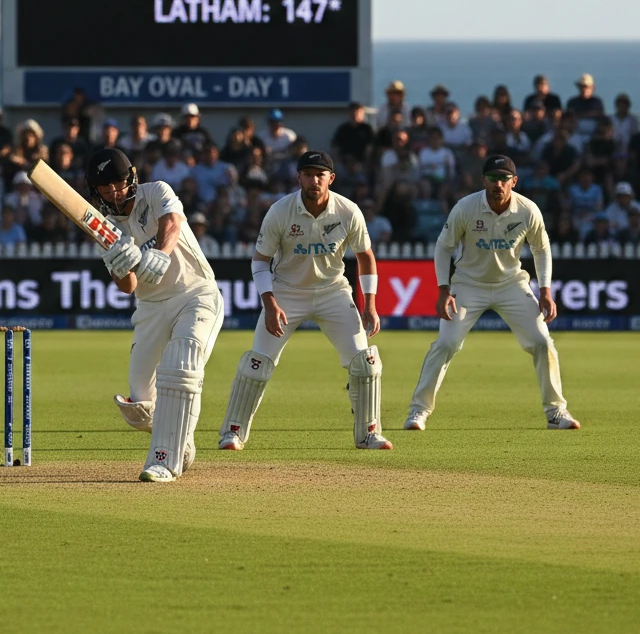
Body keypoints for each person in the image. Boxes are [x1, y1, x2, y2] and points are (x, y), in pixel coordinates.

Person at [216, 150, 391, 453]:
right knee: (257, 364)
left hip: (333, 292)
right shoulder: (280, 212)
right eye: (308, 174)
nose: (314, 180)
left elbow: (365, 257)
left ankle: (369, 433)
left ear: (331, 179)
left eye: (320, 175)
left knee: (365, 363)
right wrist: (269, 303)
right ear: (298, 177)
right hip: (286, 293)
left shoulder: (348, 211)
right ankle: (233, 432)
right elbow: (260, 262)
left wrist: (370, 304)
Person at [403, 154, 580, 432]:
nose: (499, 184)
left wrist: (545, 290)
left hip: (511, 285)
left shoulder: (528, 210)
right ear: (483, 180)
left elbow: (541, 249)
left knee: (542, 342)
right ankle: (418, 412)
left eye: (504, 179)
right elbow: (443, 247)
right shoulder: (466, 207)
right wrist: (443, 289)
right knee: (446, 344)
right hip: (468, 284)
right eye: (493, 178)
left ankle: (556, 412)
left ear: (514, 181)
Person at [87, 147, 224, 482]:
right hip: (150, 308)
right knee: (139, 405)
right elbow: (128, 286)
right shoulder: (104, 228)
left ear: (131, 177)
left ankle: (163, 460)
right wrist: (118, 262)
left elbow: (173, 221)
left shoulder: (156, 190)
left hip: (195, 293)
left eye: (118, 183)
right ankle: (182, 442)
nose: (115, 192)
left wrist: (161, 252)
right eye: (106, 188)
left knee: (181, 365)